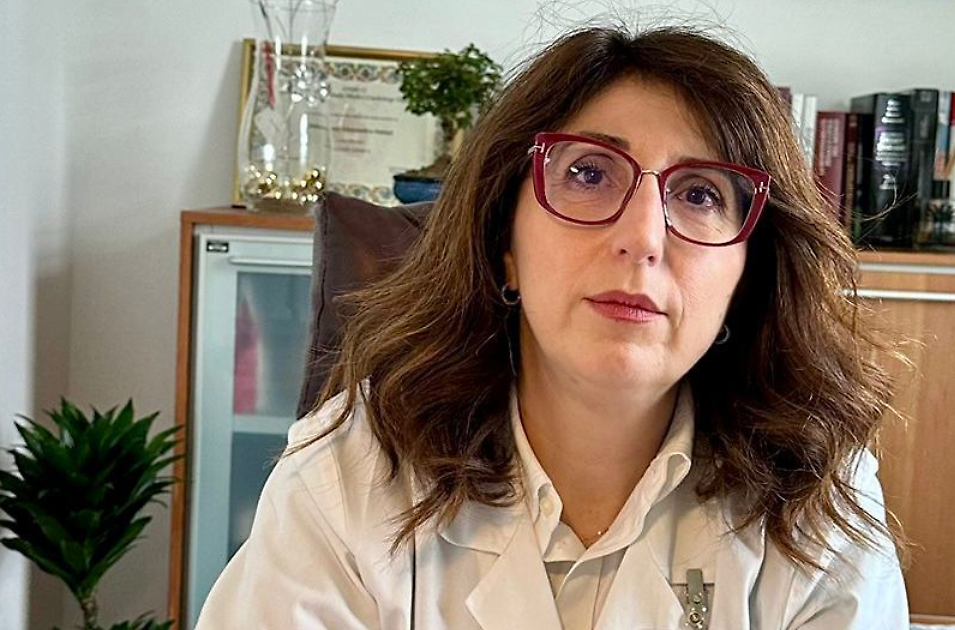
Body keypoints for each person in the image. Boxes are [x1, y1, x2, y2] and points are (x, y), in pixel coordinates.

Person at [195, 24, 908, 630]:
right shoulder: (350, 475)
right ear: (504, 242)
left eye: (699, 193)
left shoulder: (816, 494)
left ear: (746, 276)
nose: (643, 238)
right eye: (590, 174)